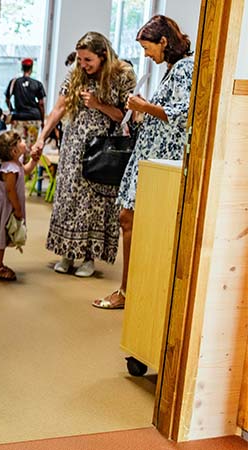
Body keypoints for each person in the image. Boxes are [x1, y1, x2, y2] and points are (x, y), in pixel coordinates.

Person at [93, 15, 194, 309]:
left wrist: (144, 106)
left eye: (148, 48)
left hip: (162, 160)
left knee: (132, 219)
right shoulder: (173, 69)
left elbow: (182, 113)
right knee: (129, 218)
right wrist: (141, 114)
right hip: (150, 154)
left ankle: (128, 291)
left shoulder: (185, 68)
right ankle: (130, 289)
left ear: (164, 42)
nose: (146, 55)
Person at [32, 32, 136, 277]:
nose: (83, 64)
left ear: (103, 56)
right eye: (80, 59)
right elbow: (59, 108)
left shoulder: (122, 76)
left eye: (88, 60)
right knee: (68, 198)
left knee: (94, 204)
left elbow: (126, 116)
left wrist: (99, 104)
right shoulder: (76, 74)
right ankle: (66, 252)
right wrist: (41, 137)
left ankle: (89, 257)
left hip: (103, 149)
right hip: (73, 146)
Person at [0, 131, 40, 281]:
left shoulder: (16, 163)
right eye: (20, 140)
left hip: (9, 206)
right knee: (0, 238)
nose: (24, 141)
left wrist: (34, 161)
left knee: (3, 236)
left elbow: (26, 170)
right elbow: (10, 191)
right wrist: (17, 209)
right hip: (7, 207)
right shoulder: (10, 169)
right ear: (14, 150)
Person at [5, 58, 46, 149]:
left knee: (16, 145)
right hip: (34, 118)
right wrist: (43, 120)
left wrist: (12, 110)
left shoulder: (14, 82)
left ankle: (17, 163)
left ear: (22, 68)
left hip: (19, 117)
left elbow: (7, 99)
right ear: (31, 69)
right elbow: (41, 103)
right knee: (31, 146)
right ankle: (28, 163)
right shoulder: (37, 84)